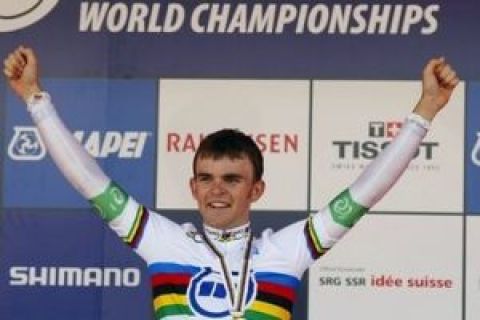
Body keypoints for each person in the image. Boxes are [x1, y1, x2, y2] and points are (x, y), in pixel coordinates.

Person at [3, 46, 459, 320]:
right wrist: (35, 100)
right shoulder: (163, 243)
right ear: (194, 187)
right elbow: (90, 182)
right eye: (206, 178)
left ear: (256, 189)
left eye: (231, 179)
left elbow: (364, 194)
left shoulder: (285, 250)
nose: (216, 189)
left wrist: (426, 111)